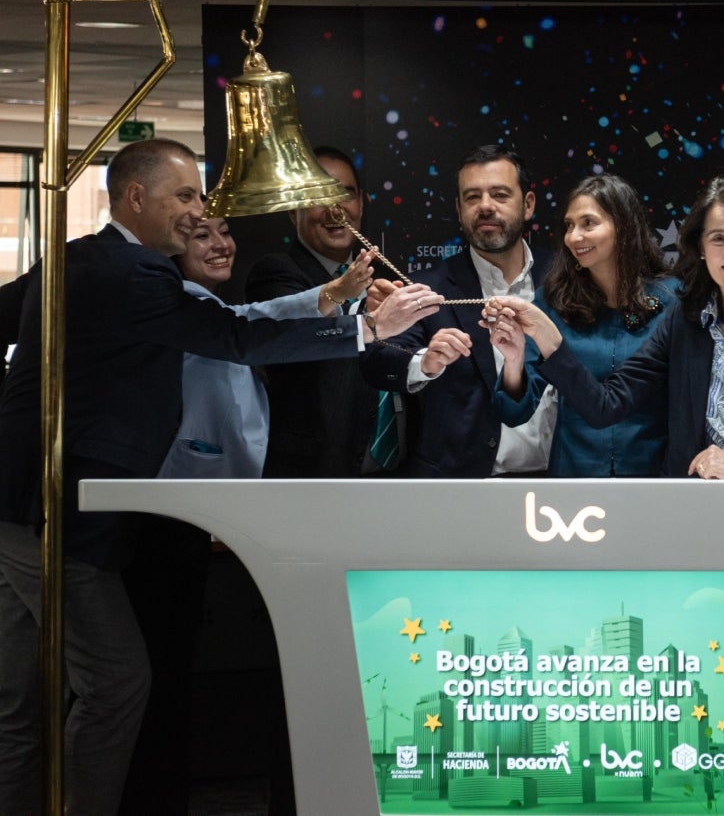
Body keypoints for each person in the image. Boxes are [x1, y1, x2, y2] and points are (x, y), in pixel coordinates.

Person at [0, 138, 439, 816]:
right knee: (116, 684)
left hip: (19, 505)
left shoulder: (73, 261)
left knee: (23, 703)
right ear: (135, 197)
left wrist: (332, 299)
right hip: (53, 515)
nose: (198, 214)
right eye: (185, 197)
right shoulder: (136, 273)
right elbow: (233, 334)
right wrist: (362, 328)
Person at [118, 216, 375, 815]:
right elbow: (248, 338)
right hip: (171, 516)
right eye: (199, 232)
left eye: (224, 232)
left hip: (202, 518)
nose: (220, 243)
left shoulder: (205, 306)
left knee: (172, 678)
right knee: (154, 680)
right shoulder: (179, 305)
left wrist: (336, 296)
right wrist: (354, 317)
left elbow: (249, 325)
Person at [484, 174, 724, 479]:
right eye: (719, 239)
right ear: (699, 247)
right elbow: (605, 406)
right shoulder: (685, 321)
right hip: (689, 514)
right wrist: (549, 341)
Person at [365, 143, 554, 478]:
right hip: (460, 487)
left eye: (499, 194)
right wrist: (425, 363)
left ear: (528, 205)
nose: (485, 207)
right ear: (458, 208)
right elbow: (378, 365)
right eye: (472, 197)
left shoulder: (566, 280)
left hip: (565, 486)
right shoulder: (428, 287)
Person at [493, 173, 678, 476]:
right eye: (569, 226)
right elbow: (514, 411)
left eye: (588, 223)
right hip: (574, 479)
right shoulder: (553, 302)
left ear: (624, 226)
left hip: (655, 476)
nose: (573, 237)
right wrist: (512, 362)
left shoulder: (673, 300)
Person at [246, 146, 406, 478]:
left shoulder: (387, 275)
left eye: (344, 194)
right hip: (314, 472)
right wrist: (342, 295)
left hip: (398, 471)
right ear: (293, 210)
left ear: (361, 202)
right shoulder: (275, 273)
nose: (335, 210)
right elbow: (299, 336)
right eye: (318, 196)